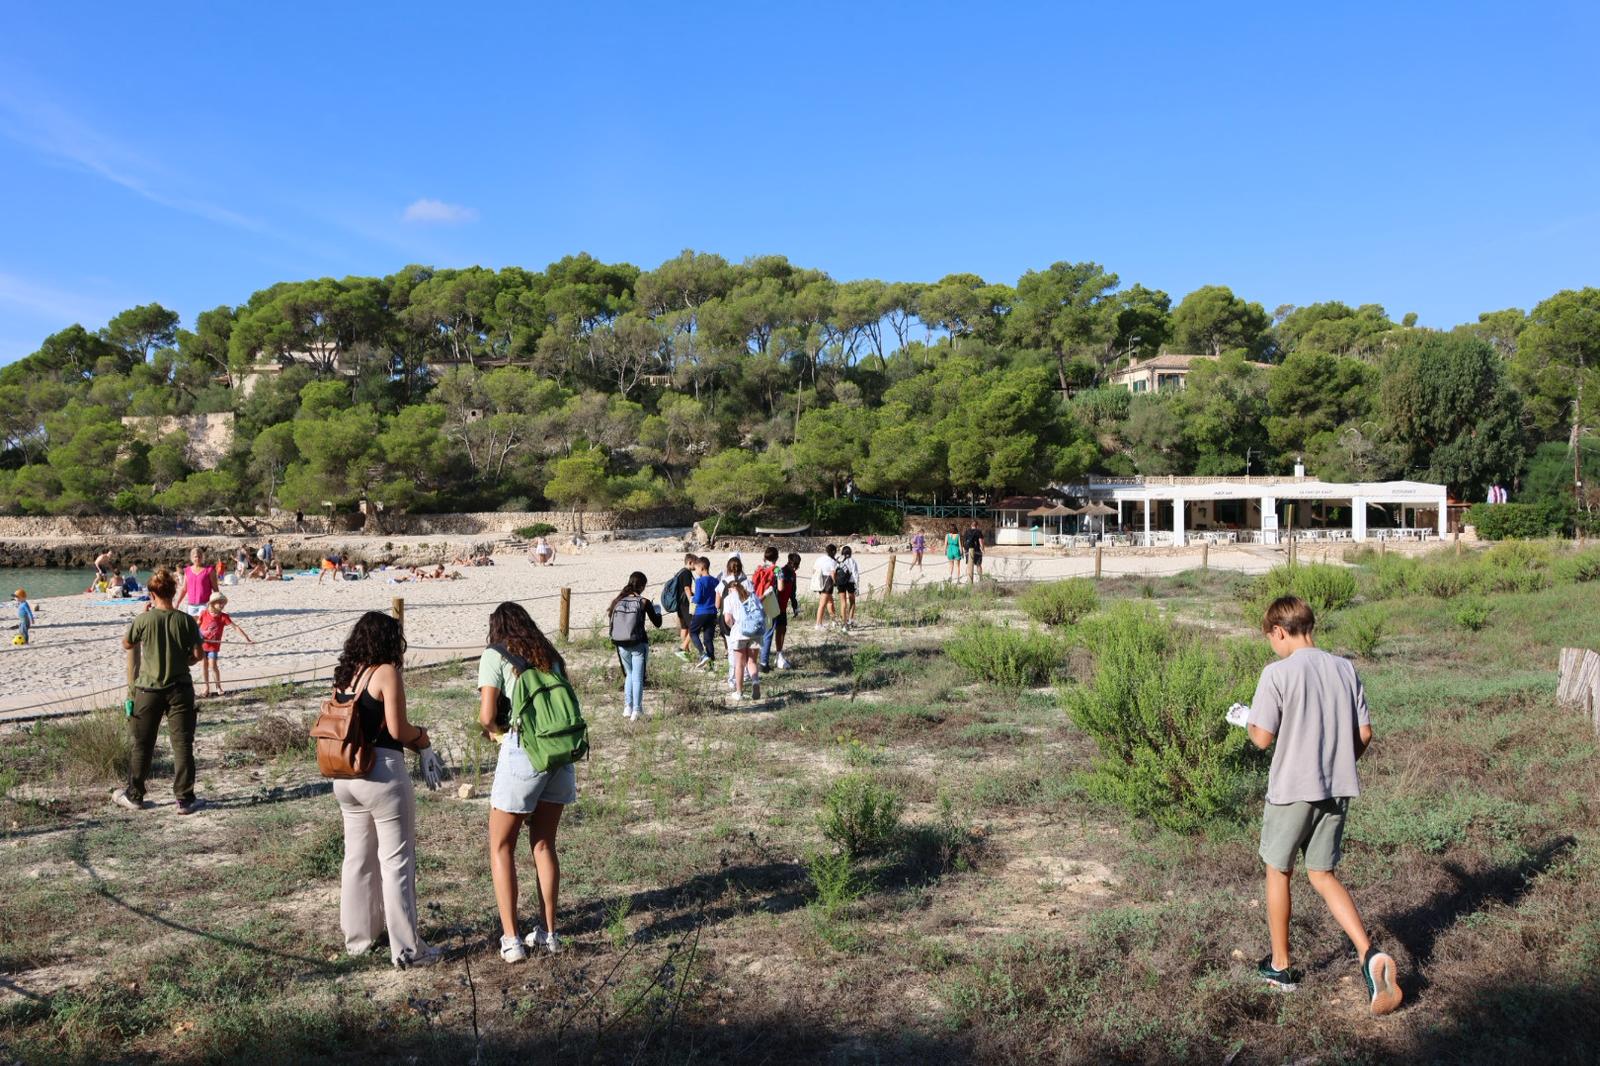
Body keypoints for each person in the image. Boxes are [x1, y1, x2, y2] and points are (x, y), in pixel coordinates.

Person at [1245, 595, 1401, 1015]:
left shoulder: (1277, 673)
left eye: (1270, 638)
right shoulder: (1345, 668)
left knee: (1278, 870)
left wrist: (1247, 720)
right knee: (1323, 874)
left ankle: (1280, 967)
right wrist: (1340, 764)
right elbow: (1364, 734)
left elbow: (1261, 738)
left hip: (1292, 790)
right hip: (1336, 789)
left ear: (1280, 632)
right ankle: (1369, 955)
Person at [329, 611, 441, 969]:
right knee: (397, 863)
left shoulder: (346, 675)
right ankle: (408, 950)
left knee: (357, 859)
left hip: (345, 773)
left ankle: (359, 940)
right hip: (381, 772)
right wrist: (422, 738)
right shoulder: (386, 673)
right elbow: (397, 730)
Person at [477, 602, 577, 961]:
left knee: (501, 846)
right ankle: (549, 934)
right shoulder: (548, 654)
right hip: (559, 753)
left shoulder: (495, 654)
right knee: (544, 844)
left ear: (496, 628)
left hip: (524, 750)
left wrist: (495, 732)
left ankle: (512, 939)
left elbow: (487, 715)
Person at [114, 568, 204, 814]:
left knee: (143, 744)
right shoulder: (186, 621)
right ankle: (185, 799)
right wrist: (184, 660)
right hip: (180, 689)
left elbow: (127, 643)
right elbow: (198, 655)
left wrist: (143, 618)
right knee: (182, 744)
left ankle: (135, 795)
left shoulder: (144, 620)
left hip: (148, 690)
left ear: (152, 594)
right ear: (174, 592)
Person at [608, 571, 662, 721]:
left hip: (621, 643)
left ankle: (627, 707)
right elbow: (657, 623)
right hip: (638, 642)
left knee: (629, 675)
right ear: (642, 586)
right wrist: (658, 611)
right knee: (638, 677)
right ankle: (637, 710)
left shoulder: (618, 601)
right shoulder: (643, 602)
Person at [720, 558, 761, 702]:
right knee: (752, 662)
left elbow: (727, 619)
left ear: (731, 589)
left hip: (739, 632)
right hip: (754, 632)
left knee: (739, 664)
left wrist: (732, 627)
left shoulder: (729, 599)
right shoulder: (751, 595)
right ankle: (755, 681)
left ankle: (739, 692)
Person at [198, 592, 254, 697]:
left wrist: (246, 638)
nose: (222, 605)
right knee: (204, 666)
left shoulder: (223, 617)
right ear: (212, 603)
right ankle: (206, 687)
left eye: (223, 603)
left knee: (213, 666)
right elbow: (196, 626)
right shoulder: (204, 613)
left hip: (213, 647)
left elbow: (235, 627)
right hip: (202, 645)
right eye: (219, 603)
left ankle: (218, 686)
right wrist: (196, 637)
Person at [754, 547, 790, 671]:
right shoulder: (777, 570)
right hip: (770, 602)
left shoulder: (759, 568)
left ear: (765, 557)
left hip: (758, 601)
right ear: (777, 557)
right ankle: (764, 662)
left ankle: (753, 660)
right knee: (768, 632)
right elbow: (780, 588)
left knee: (757, 632)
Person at [689, 556, 719, 668]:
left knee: (693, 632)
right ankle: (712, 665)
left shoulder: (699, 581)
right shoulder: (716, 581)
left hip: (701, 612)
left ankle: (703, 654)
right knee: (708, 639)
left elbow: (697, 599)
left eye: (696, 568)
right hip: (712, 612)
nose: (695, 571)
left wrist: (692, 599)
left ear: (702, 568)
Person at [669, 552, 698, 662]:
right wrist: (692, 601)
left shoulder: (680, 572)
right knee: (694, 626)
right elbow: (687, 589)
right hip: (685, 604)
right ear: (690, 562)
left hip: (679, 604)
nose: (696, 566)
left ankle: (686, 652)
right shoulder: (686, 573)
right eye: (695, 563)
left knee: (684, 627)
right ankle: (682, 648)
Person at [179, 548, 217, 617]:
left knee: (202, 622)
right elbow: (184, 589)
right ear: (191, 558)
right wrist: (177, 603)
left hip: (205, 604)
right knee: (192, 623)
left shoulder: (209, 570)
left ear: (202, 557)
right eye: (195, 557)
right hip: (191, 605)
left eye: (200, 556)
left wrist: (217, 603)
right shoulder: (187, 571)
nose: (198, 559)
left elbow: (215, 588)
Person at [812, 545, 839, 629]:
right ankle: (818, 624)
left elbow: (814, 570)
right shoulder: (832, 561)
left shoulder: (820, 558)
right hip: (828, 583)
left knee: (830, 602)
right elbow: (833, 573)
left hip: (820, 581)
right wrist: (835, 582)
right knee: (822, 604)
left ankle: (834, 621)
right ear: (834, 552)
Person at [835, 545, 861, 629]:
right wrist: (857, 586)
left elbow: (834, 571)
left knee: (843, 602)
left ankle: (844, 623)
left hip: (840, 583)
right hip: (850, 582)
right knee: (852, 602)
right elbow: (855, 574)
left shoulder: (838, 559)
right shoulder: (852, 561)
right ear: (850, 553)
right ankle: (850, 621)